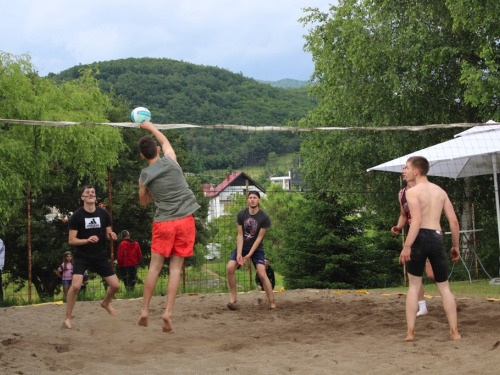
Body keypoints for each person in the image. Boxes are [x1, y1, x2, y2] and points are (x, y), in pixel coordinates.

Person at [137, 121, 200, 333]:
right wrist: (150, 126)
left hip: (163, 222)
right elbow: (165, 141)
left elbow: (144, 202)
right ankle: (167, 313)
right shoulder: (171, 160)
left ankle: (145, 310)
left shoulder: (144, 176)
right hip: (185, 220)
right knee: (175, 269)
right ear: (156, 150)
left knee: (154, 268)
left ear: (142, 156)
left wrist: (148, 189)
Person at [398, 156, 461, 341]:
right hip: (437, 237)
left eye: (407, 168)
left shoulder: (412, 192)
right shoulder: (440, 191)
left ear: (416, 171)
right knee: (445, 289)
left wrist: (407, 246)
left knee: (414, 287)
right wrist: (455, 246)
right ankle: (455, 333)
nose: (405, 171)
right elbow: (454, 221)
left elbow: (416, 220)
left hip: (418, 238)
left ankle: (410, 333)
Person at [64, 185, 120, 329]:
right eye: (87, 192)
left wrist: (112, 236)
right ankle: (68, 318)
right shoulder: (76, 216)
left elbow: (108, 234)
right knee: (76, 285)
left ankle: (105, 303)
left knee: (115, 285)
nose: (91, 194)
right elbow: (71, 240)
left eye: (93, 192)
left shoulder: (103, 213)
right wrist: (86, 241)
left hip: (99, 255)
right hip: (82, 255)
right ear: (82, 198)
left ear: (95, 197)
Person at [391, 171, 435, 317]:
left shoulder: (425, 189)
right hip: (413, 236)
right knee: (414, 275)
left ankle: (446, 293)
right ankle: (422, 306)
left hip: (428, 234)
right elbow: (404, 215)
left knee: (432, 275)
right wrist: (398, 227)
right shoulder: (402, 193)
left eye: (406, 168)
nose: (403, 172)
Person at [226, 191, 276, 310]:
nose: (252, 199)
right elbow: (239, 235)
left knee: (262, 274)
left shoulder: (264, 217)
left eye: (255, 197)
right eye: (250, 197)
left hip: (257, 248)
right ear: (247, 200)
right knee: (230, 267)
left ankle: (272, 302)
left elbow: (259, 238)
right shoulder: (241, 214)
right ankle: (233, 297)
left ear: (259, 200)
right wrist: (239, 253)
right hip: (242, 246)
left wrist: (249, 255)